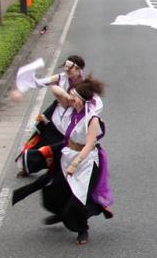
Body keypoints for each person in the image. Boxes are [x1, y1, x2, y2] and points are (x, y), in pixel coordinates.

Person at [12, 77, 113, 245]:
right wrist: (67, 90)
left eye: (74, 97)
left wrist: (75, 164)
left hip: (85, 162)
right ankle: (62, 214)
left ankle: (82, 230)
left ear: (83, 100)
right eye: (71, 97)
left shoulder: (92, 119)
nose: (70, 99)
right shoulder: (71, 109)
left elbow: (89, 145)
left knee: (78, 199)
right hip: (67, 155)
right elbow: (56, 90)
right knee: (54, 190)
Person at [14, 56, 87, 177]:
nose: (68, 72)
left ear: (79, 69)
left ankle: (67, 170)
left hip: (72, 120)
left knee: (66, 148)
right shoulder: (60, 78)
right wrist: (21, 89)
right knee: (40, 142)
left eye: (71, 70)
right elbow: (38, 83)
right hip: (56, 117)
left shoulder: (85, 83)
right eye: (66, 69)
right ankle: (27, 167)